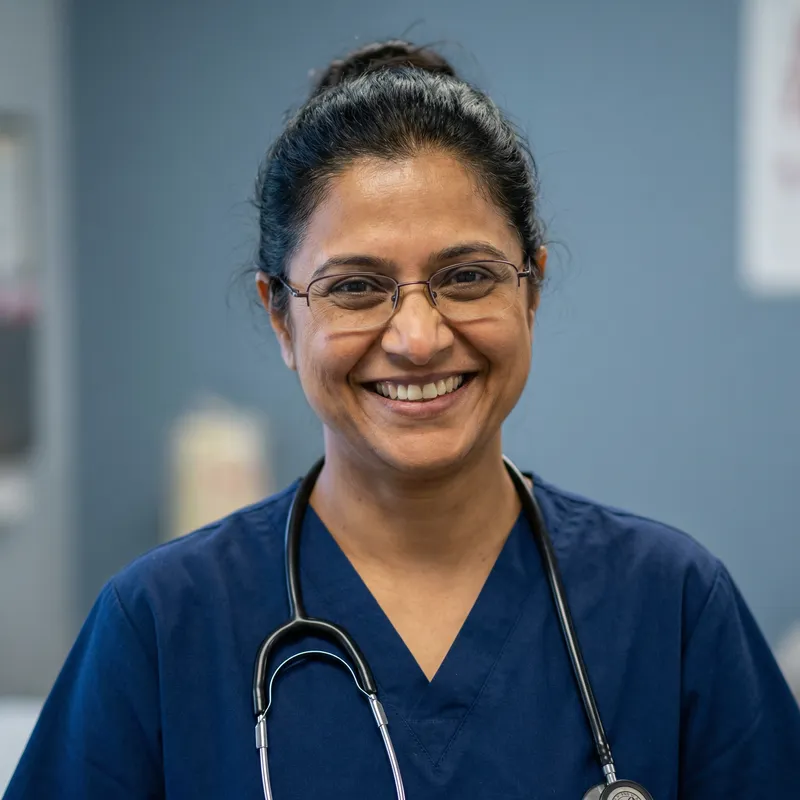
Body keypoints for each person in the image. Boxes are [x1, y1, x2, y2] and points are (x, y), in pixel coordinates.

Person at [6, 40, 800, 800]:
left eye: (466, 277)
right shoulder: (162, 627)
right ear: (280, 317)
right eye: (355, 287)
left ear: (531, 291)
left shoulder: (671, 608)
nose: (418, 338)